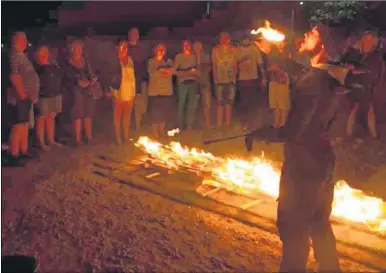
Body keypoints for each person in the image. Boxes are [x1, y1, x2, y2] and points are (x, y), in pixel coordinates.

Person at [244, 25, 360, 272]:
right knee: (318, 223)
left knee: (294, 227)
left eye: (314, 33)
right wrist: (274, 52)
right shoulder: (331, 76)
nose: (306, 34)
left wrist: (261, 132)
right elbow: (298, 70)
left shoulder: (313, 81)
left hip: (303, 165)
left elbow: (291, 131)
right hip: (323, 161)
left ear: (324, 44)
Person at [7, 31, 40, 165]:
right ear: (17, 40)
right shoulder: (14, 55)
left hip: (25, 97)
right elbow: (14, 76)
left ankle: (23, 151)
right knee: (18, 126)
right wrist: (22, 94)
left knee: (24, 125)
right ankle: (13, 155)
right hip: (19, 97)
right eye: (24, 39)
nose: (26, 42)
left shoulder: (21, 55)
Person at [346, 30, 383, 142]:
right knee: (356, 109)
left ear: (373, 44)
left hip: (366, 87)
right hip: (357, 87)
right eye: (366, 41)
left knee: (368, 109)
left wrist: (356, 70)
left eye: (370, 42)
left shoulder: (375, 57)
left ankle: (372, 134)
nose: (367, 44)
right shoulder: (359, 54)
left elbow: (373, 72)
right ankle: (350, 134)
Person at [63, 40, 97, 146]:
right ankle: (78, 139)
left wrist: (92, 80)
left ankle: (89, 137)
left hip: (88, 90)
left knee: (88, 113)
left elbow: (90, 73)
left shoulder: (86, 61)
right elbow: (66, 79)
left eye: (80, 48)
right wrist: (77, 82)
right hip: (75, 91)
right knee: (78, 114)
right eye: (76, 48)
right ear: (72, 49)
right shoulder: (68, 62)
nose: (78, 50)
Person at [34, 44, 64, 150]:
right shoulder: (37, 67)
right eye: (42, 52)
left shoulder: (53, 65)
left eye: (46, 52)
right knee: (41, 118)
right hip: (43, 96)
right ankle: (41, 142)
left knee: (51, 117)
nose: (44, 54)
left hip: (55, 95)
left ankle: (51, 140)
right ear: (37, 54)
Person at [109, 40, 136, 144]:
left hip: (130, 92)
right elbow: (111, 77)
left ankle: (125, 136)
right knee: (118, 115)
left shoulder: (130, 60)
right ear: (117, 48)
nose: (123, 49)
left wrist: (134, 92)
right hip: (118, 91)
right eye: (121, 47)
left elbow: (132, 77)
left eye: (125, 47)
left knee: (127, 115)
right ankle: (118, 138)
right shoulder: (114, 60)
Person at [236, 36, 265, 131]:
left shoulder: (254, 49)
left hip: (253, 78)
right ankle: (244, 122)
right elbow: (234, 63)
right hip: (242, 79)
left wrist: (263, 76)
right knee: (244, 101)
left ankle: (252, 122)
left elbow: (260, 63)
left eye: (247, 39)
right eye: (244, 39)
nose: (246, 41)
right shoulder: (238, 50)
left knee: (252, 101)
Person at [147, 43, 175, 138]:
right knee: (155, 113)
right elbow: (152, 73)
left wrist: (162, 70)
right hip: (155, 91)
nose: (161, 51)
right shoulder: (151, 61)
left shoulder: (169, 61)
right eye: (159, 49)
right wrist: (161, 70)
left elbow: (172, 72)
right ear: (155, 50)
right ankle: (155, 132)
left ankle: (161, 131)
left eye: (163, 49)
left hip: (166, 91)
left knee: (164, 113)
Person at [212, 32, 238, 129]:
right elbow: (214, 65)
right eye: (222, 38)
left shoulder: (234, 49)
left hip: (231, 80)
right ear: (219, 39)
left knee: (229, 102)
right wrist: (215, 78)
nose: (225, 40)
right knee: (219, 102)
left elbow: (235, 64)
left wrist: (234, 77)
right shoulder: (215, 50)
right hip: (219, 79)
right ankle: (219, 124)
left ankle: (227, 124)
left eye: (226, 38)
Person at [175, 40, 200, 130]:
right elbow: (175, 71)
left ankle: (190, 125)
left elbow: (198, 69)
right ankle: (180, 125)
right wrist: (186, 72)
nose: (187, 46)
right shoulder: (179, 56)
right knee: (181, 104)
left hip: (193, 82)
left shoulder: (194, 56)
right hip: (182, 82)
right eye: (185, 45)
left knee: (191, 104)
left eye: (188, 44)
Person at [128, 27, 149, 132]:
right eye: (132, 33)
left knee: (140, 106)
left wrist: (144, 80)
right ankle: (128, 127)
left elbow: (144, 65)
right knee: (128, 105)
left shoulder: (142, 49)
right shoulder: (126, 48)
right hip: (128, 81)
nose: (134, 36)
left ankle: (138, 126)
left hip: (140, 80)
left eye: (136, 34)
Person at [268, 41, 291, 129]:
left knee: (283, 104)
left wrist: (277, 69)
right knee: (275, 104)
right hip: (273, 81)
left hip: (282, 80)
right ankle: (276, 122)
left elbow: (286, 67)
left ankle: (283, 123)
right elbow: (269, 67)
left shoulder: (285, 54)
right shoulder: (272, 54)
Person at [193, 40, 212, 128]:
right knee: (194, 104)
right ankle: (194, 124)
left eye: (199, 46)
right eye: (195, 46)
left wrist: (200, 67)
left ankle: (207, 123)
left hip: (205, 83)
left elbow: (208, 68)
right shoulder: (191, 56)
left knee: (206, 104)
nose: (197, 48)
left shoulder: (206, 56)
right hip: (194, 84)